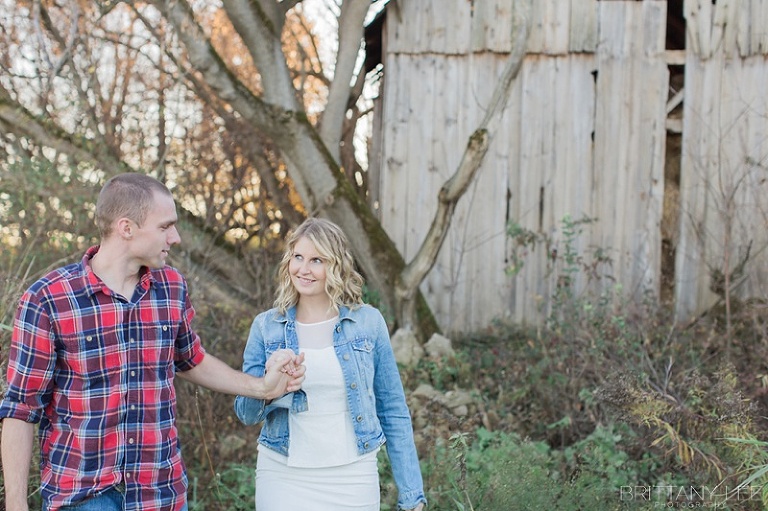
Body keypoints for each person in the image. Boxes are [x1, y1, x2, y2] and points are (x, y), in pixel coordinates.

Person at [0, 172, 305, 511]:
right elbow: (20, 408)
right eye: (164, 227)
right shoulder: (48, 299)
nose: (174, 238)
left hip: (161, 492)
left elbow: (191, 360)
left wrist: (263, 387)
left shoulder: (171, 287)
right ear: (126, 228)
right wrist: (15, 503)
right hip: (84, 496)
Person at [234, 217, 426, 511]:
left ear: (335, 266)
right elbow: (246, 415)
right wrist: (269, 385)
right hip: (283, 473)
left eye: (317, 260)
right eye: (298, 257)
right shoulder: (266, 327)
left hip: (352, 475)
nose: (304, 269)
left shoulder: (367, 323)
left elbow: (393, 409)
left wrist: (412, 492)